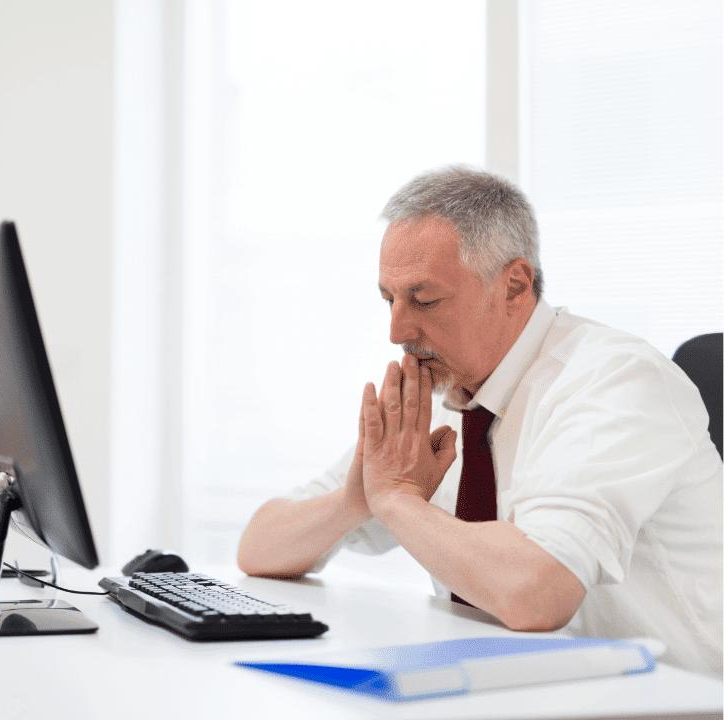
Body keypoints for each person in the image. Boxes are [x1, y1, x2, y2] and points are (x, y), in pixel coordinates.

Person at [237, 165, 723, 676]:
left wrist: (398, 500)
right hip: (532, 691)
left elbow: (536, 594)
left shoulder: (615, 379)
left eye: (424, 299)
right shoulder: (445, 389)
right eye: (389, 299)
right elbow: (259, 548)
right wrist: (356, 500)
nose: (397, 329)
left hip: (684, 699)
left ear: (514, 286)